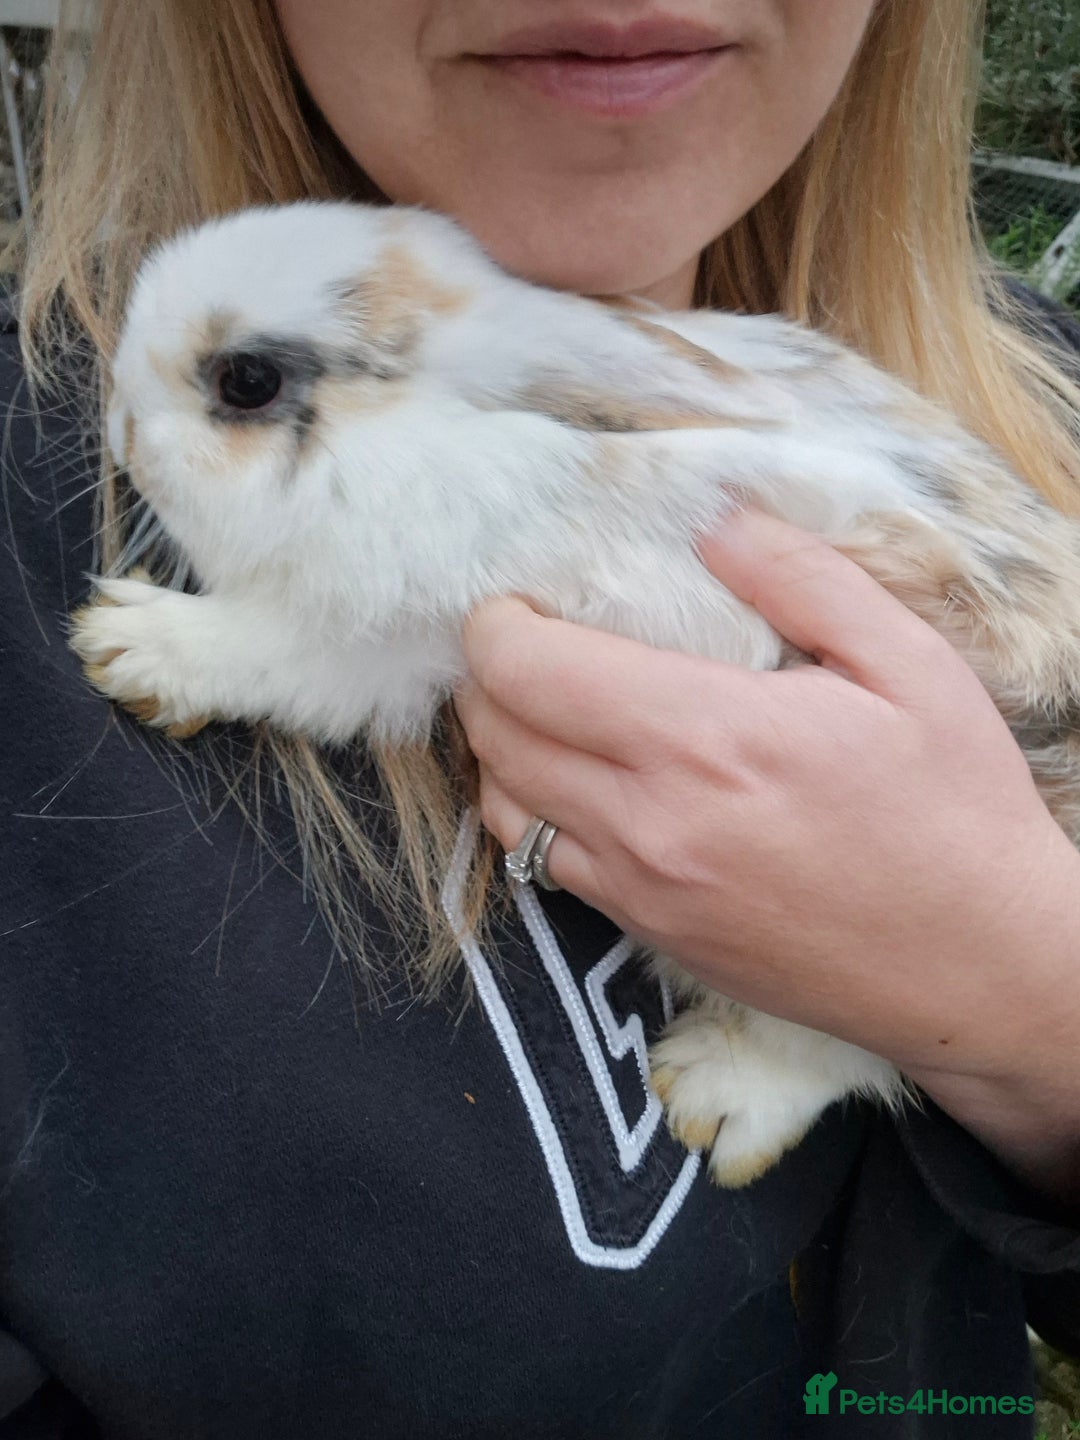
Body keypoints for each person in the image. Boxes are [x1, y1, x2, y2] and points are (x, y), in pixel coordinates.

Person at [2, 1, 1079, 1435]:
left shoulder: (1033, 396)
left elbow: (397, 641)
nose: (142, 451)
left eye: (241, 393)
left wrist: (1025, 993)